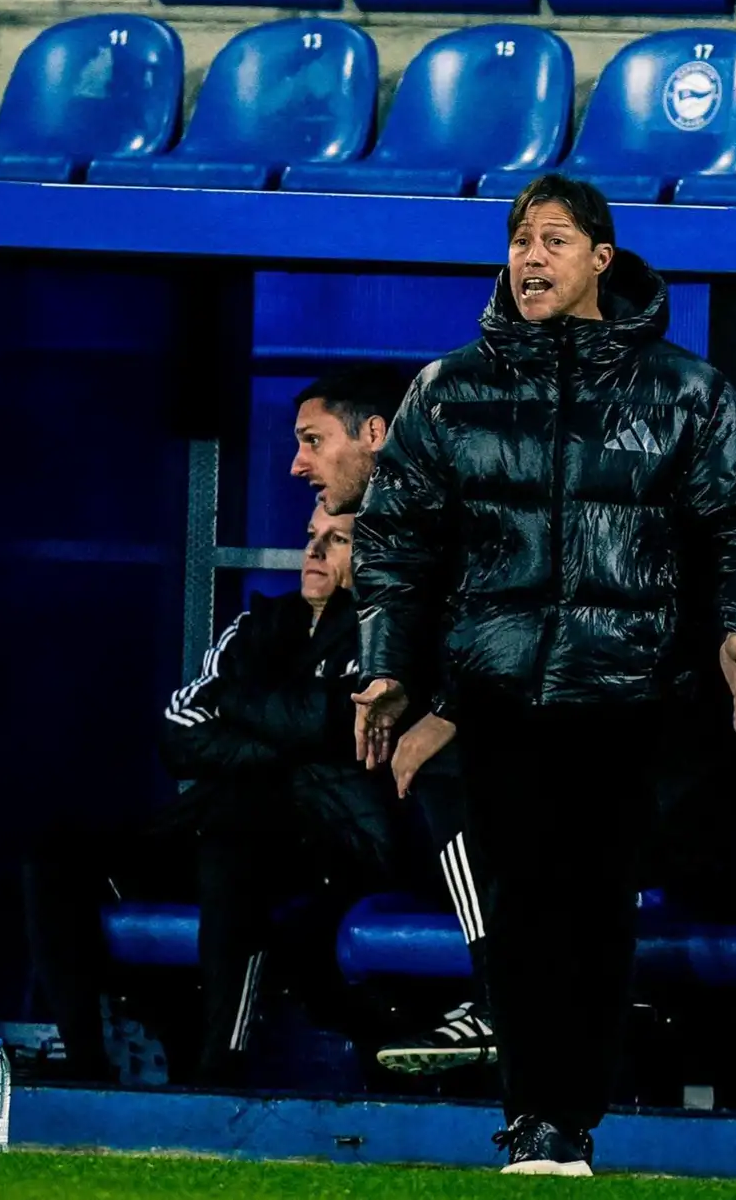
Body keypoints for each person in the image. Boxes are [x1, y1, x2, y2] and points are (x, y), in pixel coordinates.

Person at [351, 174, 736, 1174]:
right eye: (519, 240)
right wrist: (388, 668)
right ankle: (529, 1117)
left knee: (594, 906)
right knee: (516, 906)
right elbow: (392, 541)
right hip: (497, 695)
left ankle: (572, 1118)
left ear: (603, 258)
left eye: (554, 240)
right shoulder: (449, 388)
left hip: (629, 695)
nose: (531, 257)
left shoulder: (685, 390)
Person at [24, 499, 399, 1085]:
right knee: (58, 853)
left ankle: (217, 1075)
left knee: (235, 842)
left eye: (339, 540)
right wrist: (287, 733)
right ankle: (85, 1064)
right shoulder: (255, 625)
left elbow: (333, 725)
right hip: (220, 819)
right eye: (310, 535)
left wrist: (235, 703)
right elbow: (178, 732)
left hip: (329, 841)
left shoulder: (383, 632)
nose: (315, 550)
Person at [291, 368, 498, 1075]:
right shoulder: (393, 521)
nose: (297, 465)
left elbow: (517, 613)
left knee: (443, 765)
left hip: (596, 732)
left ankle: (500, 998)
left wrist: (446, 713)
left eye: (313, 441)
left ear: (375, 434)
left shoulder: (453, 498)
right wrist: (393, 683)